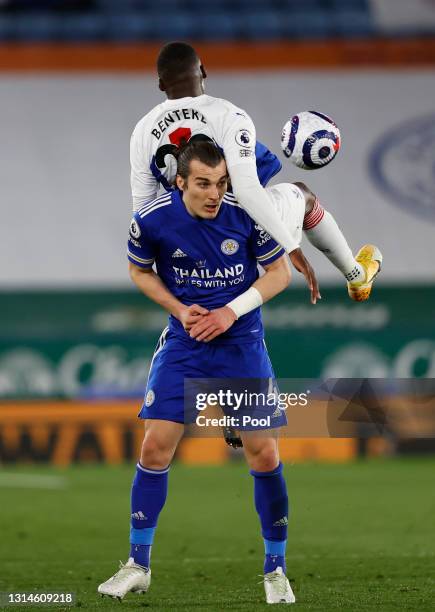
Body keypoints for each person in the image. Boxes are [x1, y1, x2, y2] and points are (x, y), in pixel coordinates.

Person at [98, 141, 297, 604]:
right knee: (154, 446)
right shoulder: (151, 219)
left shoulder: (247, 211)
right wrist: (177, 308)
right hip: (186, 343)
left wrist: (229, 312)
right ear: (181, 181)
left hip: (240, 344)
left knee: (264, 455)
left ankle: (276, 570)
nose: (214, 193)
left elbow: (278, 274)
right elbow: (139, 271)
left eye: (222, 182)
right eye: (204, 183)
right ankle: (138, 564)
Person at [130, 41, 382, 305]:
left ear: (160, 84)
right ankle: (356, 276)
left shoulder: (143, 131)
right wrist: (291, 247)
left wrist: (170, 263)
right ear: (203, 71)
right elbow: (246, 190)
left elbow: (144, 210)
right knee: (304, 196)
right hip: (239, 230)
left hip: (190, 251)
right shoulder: (229, 115)